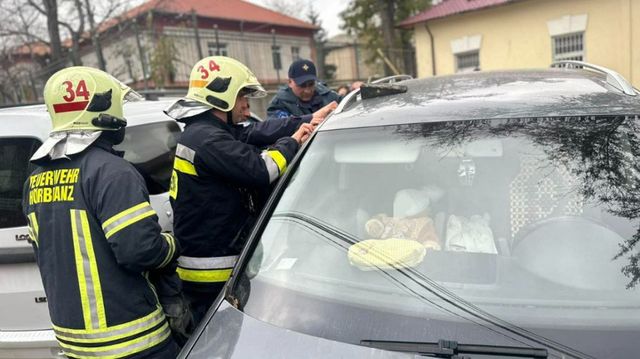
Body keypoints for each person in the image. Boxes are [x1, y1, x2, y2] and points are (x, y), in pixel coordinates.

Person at [22, 66, 183, 358]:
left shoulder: (35, 177)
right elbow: (140, 251)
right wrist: (171, 245)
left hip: (74, 343)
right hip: (133, 338)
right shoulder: (112, 172)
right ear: (105, 111)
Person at [164, 56, 320, 325]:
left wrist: (306, 120)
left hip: (211, 265)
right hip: (212, 273)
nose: (247, 109)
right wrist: (292, 142)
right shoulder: (208, 139)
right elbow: (262, 171)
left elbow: (252, 133)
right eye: (242, 98)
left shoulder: (204, 132)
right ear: (222, 98)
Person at [267, 58, 340, 121]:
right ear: (290, 82)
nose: (307, 90)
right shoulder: (279, 104)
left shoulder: (329, 96)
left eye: (311, 84)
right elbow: (279, 128)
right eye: (302, 85)